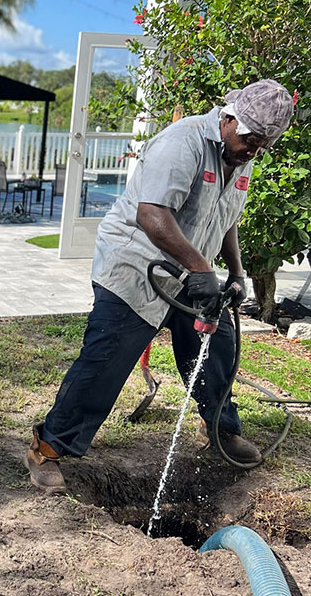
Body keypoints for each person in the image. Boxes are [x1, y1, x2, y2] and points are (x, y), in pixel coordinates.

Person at [27, 78, 295, 494]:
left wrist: (235, 273)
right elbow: (151, 215)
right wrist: (200, 268)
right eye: (251, 140)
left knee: (216, 347)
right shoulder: (183, 142)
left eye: (263, 146)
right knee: (106, 361)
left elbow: (226, 219)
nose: (253, 151)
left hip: (191, 271)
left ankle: (220, 430)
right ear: (228, 118)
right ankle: (47, 449)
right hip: (135, 267)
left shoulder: (241, 155)